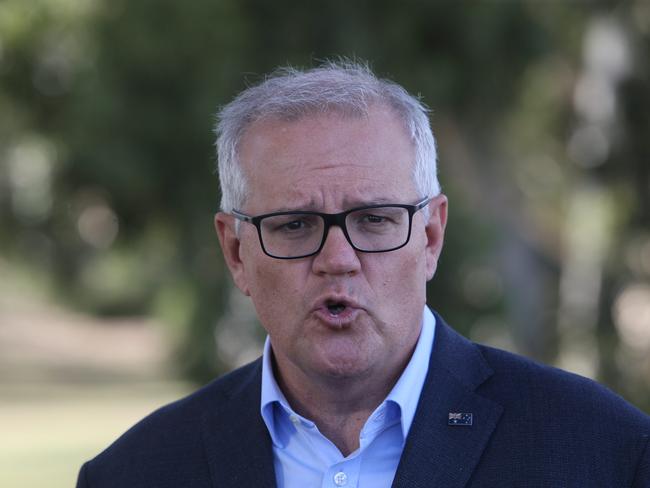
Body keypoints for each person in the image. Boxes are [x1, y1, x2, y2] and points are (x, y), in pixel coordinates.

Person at [76, 61, 650, 488]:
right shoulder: (134, 473)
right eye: (295, 225)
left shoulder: (604, 452)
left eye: (374, 220)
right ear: (235, 252)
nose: (338, 258)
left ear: (430, 237)